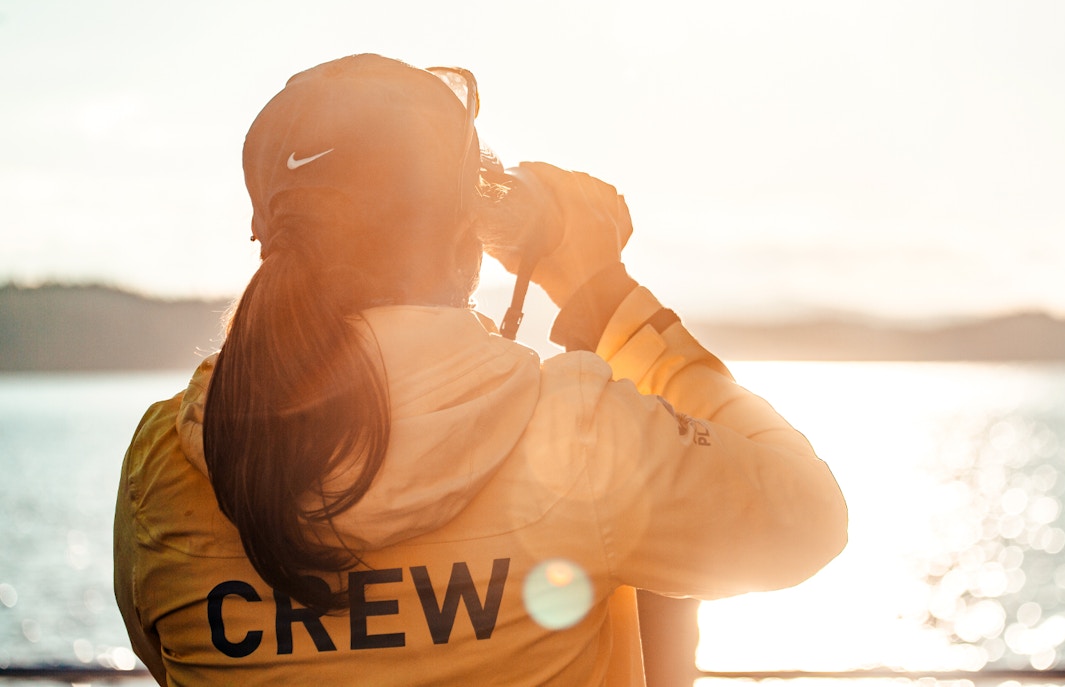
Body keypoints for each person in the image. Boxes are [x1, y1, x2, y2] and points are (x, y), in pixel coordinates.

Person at [113, 53, 848, 687]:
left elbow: (163, 651)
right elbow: (808, 519)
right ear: (466, 241)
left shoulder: (167, 461)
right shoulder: (579, 437)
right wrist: (607, 296)